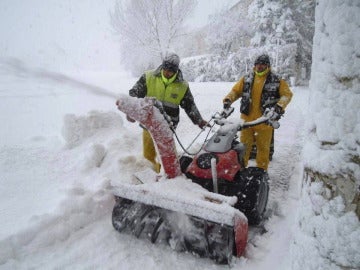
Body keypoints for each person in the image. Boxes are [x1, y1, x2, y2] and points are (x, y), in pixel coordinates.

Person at [123, 53, 209, 173]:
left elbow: (189, 105)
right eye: (165, 69)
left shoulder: (182, 85)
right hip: (148, 125)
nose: (167, 73)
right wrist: (131, 111)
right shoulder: (148, 77)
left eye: (170, 71)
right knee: (148, 156)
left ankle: (162, 178)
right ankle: (152, 176)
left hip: (167, 126)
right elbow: (134, 94)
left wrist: (199, 120)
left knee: (163, 157)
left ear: (176, 71)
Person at [223, 54, 293, 171]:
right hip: (247, 122)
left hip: (264, 122)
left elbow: (287, 94)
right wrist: (228, 99)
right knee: (243, 147)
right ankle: (240, 170)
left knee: (263, 150)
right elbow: (235, 91)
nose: (259, 66)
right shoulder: (247, 78)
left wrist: (279, 107)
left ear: (268, 65)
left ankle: (261, 172)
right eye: (257, 64)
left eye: (262, 64)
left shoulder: (276, 79)